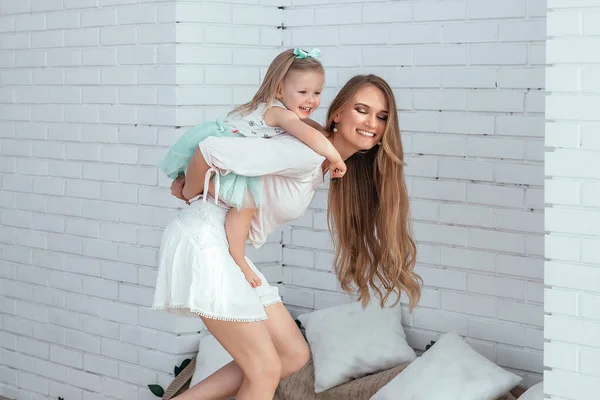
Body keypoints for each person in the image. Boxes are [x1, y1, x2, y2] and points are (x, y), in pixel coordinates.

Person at [153, 74, 422, 400]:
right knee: (263, 369)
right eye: (362, 110)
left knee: (292, 354)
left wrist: (198, 187)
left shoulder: (320, 162)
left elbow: (245, 177)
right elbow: (211, 149)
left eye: (381, 116)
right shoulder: (306, 154)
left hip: (224, 243)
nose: (372, 123)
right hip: (206, 241)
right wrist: (190, 189)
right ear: (337, 113)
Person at [157, 48, 346, 289]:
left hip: (227, 159)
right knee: (246, 204)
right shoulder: (279, 112)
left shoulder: (283, 111)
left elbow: (310, 129)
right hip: (219, 153)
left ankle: (194, 191)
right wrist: (336, 157)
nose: (312, 100)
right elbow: (308, 133)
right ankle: (236, 255)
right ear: (279, 90)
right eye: (303, 92)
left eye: (317, 92)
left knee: (245, 204)